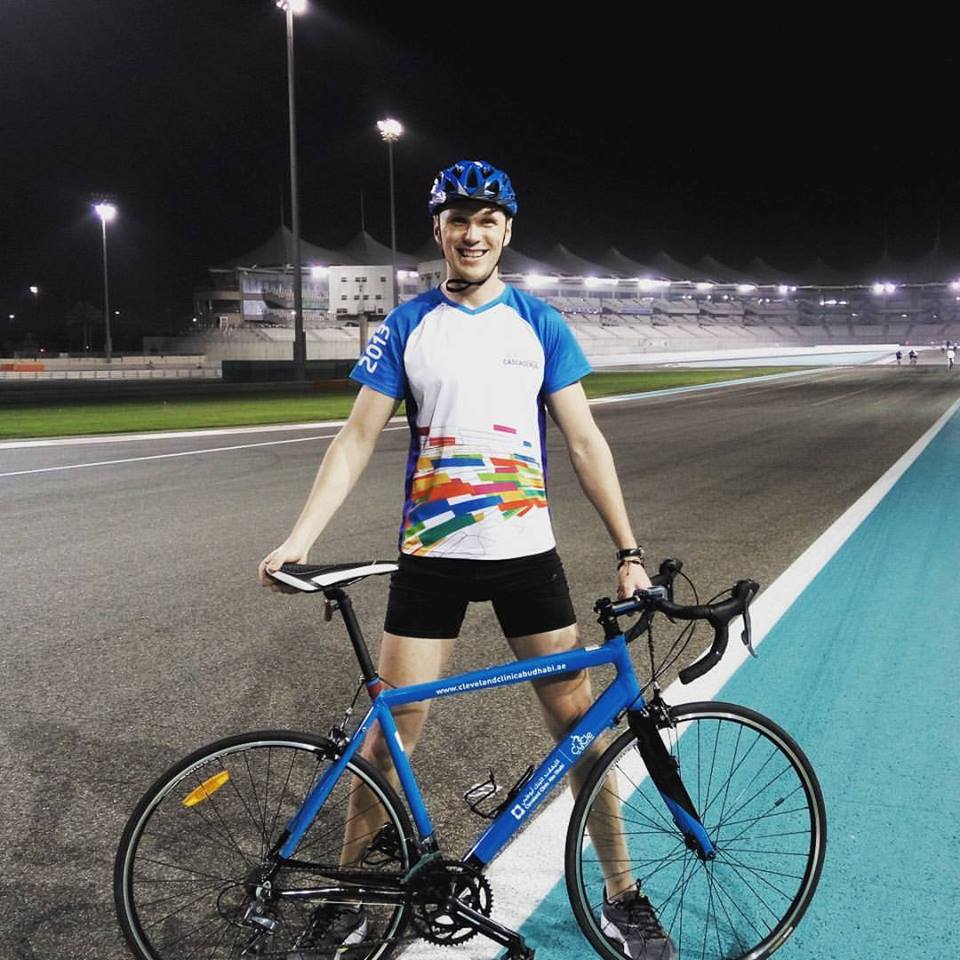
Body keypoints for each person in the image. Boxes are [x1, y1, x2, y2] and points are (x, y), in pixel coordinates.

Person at [260, 160, 675, 960]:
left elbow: (585, 441)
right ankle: (345, 901)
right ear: (440, 230)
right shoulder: (408, 325)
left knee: (581, 730)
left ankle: (623, 895)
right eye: (459, 220)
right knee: (389, 739)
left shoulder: (540, 324)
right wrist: (300, 537)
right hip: (431, 558)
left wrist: (629, 551)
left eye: (487, 220)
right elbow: (356, 437)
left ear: (507, 230)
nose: (472, 233)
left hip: (526, 556)